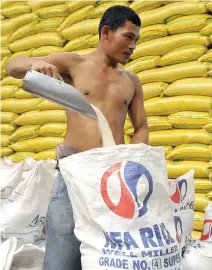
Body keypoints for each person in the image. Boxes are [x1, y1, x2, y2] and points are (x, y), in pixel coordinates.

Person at [6, 5, 149, 270]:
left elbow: (141, 126)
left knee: (110, 260)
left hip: (112, 182)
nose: (133, 46)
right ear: (106, 32)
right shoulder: (74, 64)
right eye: (128, 37)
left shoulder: (131, 81)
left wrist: (132, 160)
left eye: (136, 40)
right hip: (73, 176)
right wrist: (35, 63)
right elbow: (12, 66)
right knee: (61, 260)